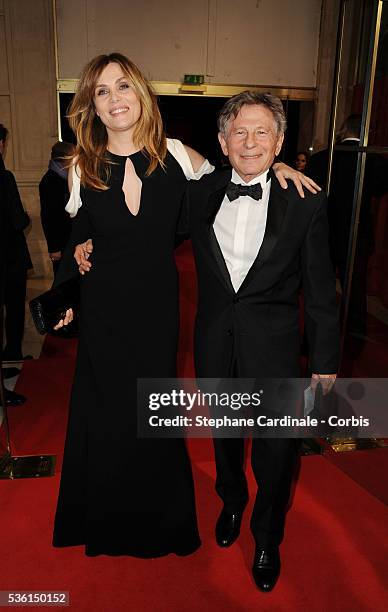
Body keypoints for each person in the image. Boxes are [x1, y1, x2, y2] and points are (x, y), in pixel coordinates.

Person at [55, 53, 320, 559]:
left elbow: (237, 174)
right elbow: (78, 233)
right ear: (90, 103)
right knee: (109, 415)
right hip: (105, 315)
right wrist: (76, 263)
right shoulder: (80, 167)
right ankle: (107, 521)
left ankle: (158, 521)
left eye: (124, 87)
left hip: (156, 314)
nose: (115, 99)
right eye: (103, 91)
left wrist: (279, 163)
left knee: (153, 418)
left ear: (142, 96)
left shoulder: (176, 155)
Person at [184, 93, 338, 591]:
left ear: (278, 143)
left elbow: (319, 290)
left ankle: (267, 534)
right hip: (215, 345)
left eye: (261, 133)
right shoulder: (198, 193)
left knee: (276, 451)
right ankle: (231, 501)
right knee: (226, 441)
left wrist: (325, 362)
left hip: (274, 350)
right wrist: (84, 237)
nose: (250, 142)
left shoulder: (306, 200)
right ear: (223, 142)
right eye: (239, 133)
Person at [307, 114, 388, 336]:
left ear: (343, 130)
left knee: (320, 288)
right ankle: (354, 335)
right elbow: (380, 190)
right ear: (365, 133)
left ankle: (316, 334)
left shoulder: (322, 158)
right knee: (355, 288)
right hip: (357, 232)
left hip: (324, 232)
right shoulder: (374, 161)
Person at [0, 124, 33, 363]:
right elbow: (18, 221)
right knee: (13, 309)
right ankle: (12, 352)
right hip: (9, 258)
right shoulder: (5, 177)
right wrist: (26, 216)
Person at [39, 141, 75, 276]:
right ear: (65, 158)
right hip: (62, 243)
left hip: (70, 240)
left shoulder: (66, 177)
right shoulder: (50, 181)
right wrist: (54, 248)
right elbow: (48, 216)